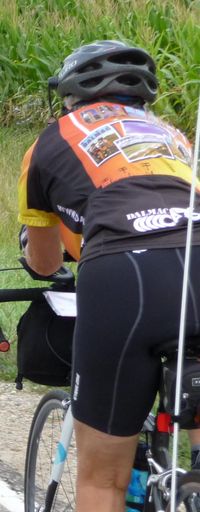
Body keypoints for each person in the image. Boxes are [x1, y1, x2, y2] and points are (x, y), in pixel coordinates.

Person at [18, 40, 200, 512]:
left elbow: (45, 262)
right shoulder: (173, 136)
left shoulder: (50, 141)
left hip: (127, 274)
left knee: (103, 481)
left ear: (72, 97)